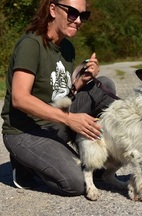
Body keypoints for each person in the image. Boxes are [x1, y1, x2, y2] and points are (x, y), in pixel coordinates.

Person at [1, 0, 116, 196]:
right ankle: (23, 165)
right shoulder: (31, 44)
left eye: (83, 15)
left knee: (104, 86)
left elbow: (60, 94)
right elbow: (19, 98)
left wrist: (81, 81)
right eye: (72, 13)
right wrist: (70, 119)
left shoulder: (67, 48)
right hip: (24, 131)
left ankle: (94, 157)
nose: (78, 20)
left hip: (54, 123)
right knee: (76, 183)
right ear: (53, 10)